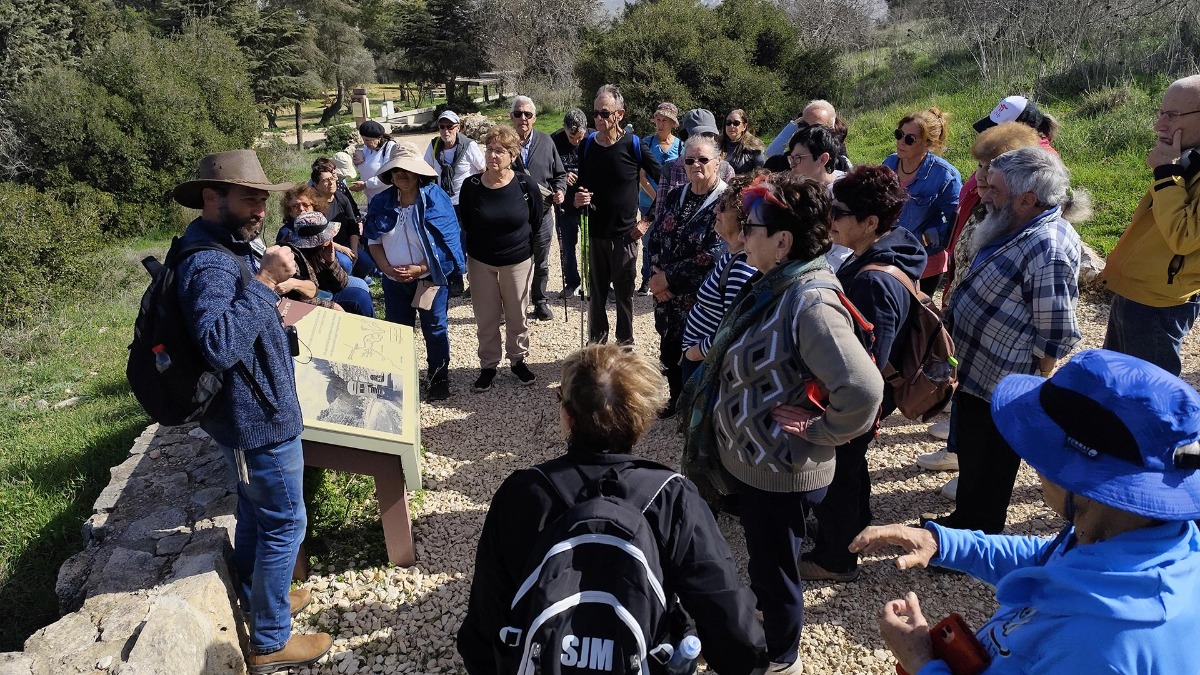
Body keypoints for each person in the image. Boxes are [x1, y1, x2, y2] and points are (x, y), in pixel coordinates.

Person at [852, 349, 1200, 675]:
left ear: (1086, 484)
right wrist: (941, 542)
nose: (1034, 466)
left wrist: (922, 661)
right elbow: (1050, 559)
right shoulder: (1141, 538)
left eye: (1043, 451)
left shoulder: (1101, 646)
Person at [457, 343, 768, 675]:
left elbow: (485, 620)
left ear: (567, 414)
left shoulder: (523, 493)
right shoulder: (673, 498)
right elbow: (731, 628)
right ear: (643, 418)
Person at [682, 173, 883, 673]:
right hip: (761, 464)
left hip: (782, 471)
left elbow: (863, 389)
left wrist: (822, 431)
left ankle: (780, 657)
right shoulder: (776, 281)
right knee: (768, 559)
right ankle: (771, 620)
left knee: (776, 571)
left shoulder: (810, 301)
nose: (742, 235)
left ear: (783, 241)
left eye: (750, 227)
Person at [171, 150, 333, 673]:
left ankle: (260, 593)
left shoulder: (226, 244)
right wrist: (266, 282)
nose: (260, 208)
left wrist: (273, 287)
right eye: (248, 198)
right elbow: (218, 344)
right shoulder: (208, 261)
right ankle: (270, 640)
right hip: (256, 420)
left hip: (253, 413)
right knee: (287, 521)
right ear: (211, 198)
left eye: (263, 198)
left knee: (256, 513)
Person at [930, 146, 1081, 534]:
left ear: (1028, 199)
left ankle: (976, 537)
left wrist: (1035, 376)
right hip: (977, 371)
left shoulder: (1045, 246)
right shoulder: (1016, 225)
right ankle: (965, 521)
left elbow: (1058, 330)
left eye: (995, 190)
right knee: (976, 455)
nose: (985, 194)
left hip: (1003, 381)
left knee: (991, 463)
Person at [800, 165, 925, 582]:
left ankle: (836, 559)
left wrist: (841, 412)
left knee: (839, 471)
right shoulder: (889, 249)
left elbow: (867, 363)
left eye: (839, 211)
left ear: (870, 222)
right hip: (868, 397)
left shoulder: (874, 282)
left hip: (859, 399)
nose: (829, 219)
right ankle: (857, 531)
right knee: (852, 469)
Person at [1102, 74, 1200, 376]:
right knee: (1112, 389)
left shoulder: (1174, 166)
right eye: (1161, 113)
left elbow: (1183, 237)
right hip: (1134, 293)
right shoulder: (1187, 158)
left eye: (1172, 116)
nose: (1160, 125)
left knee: (1147, 403)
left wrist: (1166, 174)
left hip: (1159, 305)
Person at [365, 142, 465, 402]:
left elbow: (447, 243)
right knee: (398, 331)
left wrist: (420, 268)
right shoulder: (380, 201)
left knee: (435, 329)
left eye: (407, 170)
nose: (402, 175)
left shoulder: (436, 198)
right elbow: (373, 240)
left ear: (418, 172)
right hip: (393, 281)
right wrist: (387, 268)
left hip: (429, 279)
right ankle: (401, 381)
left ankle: (438, 379)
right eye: (397, 170)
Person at [573, 84, 662, 345]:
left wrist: (647, 220)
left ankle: (625, 345)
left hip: (625, 235)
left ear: (619, 114)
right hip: (595, 233)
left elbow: (665, 184)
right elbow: (582, 184)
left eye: (605, 113)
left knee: (624, 294)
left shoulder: (634, 146)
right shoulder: (587, 144)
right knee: (597, 295)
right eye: (595, 114)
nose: (598, 119)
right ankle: (597, 346)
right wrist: (578, 198)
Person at [457, 125, 543, 392]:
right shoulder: (471, 186)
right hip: (481, 262)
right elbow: (467, 222)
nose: (493, 156)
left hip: (517, 261)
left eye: (500, 151)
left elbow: (536, 220)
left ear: (513, 155)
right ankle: (488, 365)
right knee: (486, 316)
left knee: (517, 315)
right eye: (490, 150)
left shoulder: (525, 184)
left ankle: (518, 360)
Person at [645, 134, 727, 417]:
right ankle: (677, 399)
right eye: (689, 160)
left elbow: (715, 253)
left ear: (717, 162)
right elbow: (655, 237)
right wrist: (657, 276)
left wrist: (668, 278)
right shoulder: (674, 195)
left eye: (703, 159)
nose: (696, 165)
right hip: (666, 296)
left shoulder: (726, 202)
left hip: (701, 298)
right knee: (669, 348)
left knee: (699, 352)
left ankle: (699, 410)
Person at [680, 173, 761, 388]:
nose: (716, 210)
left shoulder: (743, 264)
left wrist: (695, 352)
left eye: (723, 207)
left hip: (705, 364)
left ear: (742, 218)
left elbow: (734, 328)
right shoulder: (732, 253)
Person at [882, 108, 962, 295]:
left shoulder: (944, 175)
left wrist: (927, 238)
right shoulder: (889, 163)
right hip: (889, 254)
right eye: (899, 134)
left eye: (909, 139)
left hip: (924, 261)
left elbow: (957, 222)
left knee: (915, 319)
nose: (901, 142)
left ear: (928, 143)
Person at [510, 95, 567, 321]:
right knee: (513, 262)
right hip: (513, 216)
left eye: (527, 114)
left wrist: (560, 190)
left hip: (542, 213)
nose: (523, 118)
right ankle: (514, 304)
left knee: (541, 260)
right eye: (518, 114)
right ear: (511, 117)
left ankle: (540, 300)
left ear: (534, 118)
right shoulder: (504, 143)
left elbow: (559, 175)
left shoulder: (546, 142)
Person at [424, 110, 486, 298]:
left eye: (449, 127)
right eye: (441, 127)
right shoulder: (434, 146)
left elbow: (484, 170)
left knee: (471, 242)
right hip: (443, 203)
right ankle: (456, 280)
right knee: (449, 242)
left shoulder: (469, 146)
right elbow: (426, 171)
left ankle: (475, 282)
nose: (445, 131)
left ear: (458, 128)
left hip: (466, 203)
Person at [280, 211, 375, 317]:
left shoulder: (321, 250)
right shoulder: (292, 259)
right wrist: (331, 306)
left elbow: (342, 284)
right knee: (359, 299)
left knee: (361, 296)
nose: (331, 239)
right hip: (306, 304)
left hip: (325, 293)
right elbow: (297, 299)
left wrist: (331, 261)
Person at [653, 108, 736, 221]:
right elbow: (660, 214)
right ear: (686, 138)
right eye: (698, 136)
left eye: (709, 135)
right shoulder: (670, 169)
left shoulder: (726, 170)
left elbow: (731, 216)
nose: (704, 140)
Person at [638, 102, 684, 295]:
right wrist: (658, 197)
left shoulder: (681, 146)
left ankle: (664, 279)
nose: (660, 123)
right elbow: (641, 176)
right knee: (648, 242)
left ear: (673, 123)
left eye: (664, 120)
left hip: (673, 204)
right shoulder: (646, 143)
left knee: (670, 242)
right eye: (657, 119)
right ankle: (646, 279)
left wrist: (668, 198)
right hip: (648, 203)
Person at [551, 108, 588, 298]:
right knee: (567, 244)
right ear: (564, 129)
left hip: (588, 200)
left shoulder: (592, 139)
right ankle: (572, 281)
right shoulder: (554, 141)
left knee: (591, 245)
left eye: (580, 137)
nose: (577, 141)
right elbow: (547, 170)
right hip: (565, 203)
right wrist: (563, 176)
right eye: (572, 138)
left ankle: (596, 281)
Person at [310, 157, 366, 277]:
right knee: (346, 263)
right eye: (325, 181)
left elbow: (353, 225)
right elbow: (316, 237)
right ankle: (342, 284)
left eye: (332, 179)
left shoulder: (341, 198)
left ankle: (355, 278)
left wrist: (354, 249)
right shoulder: (313, 204)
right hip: (325, 248)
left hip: (345, 242)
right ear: (316, 185)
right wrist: (341, 249)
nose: (331, 183)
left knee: (367, 263)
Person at [765, 99, 839, 171]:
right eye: (804, 125)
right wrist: (793, 126)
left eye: (816, 127)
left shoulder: (840, 165)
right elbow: (771, 153)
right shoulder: (783, 162)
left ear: (831, 131)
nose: (808, 132)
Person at [350, 120, 396, 202]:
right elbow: (364, 166)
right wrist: (357, 159)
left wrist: (366, 184)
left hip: (386, 198)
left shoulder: (390, 147)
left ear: (378, 138)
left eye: (367, 140)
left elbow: (388, 175)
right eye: (363, 140)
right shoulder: (367, 148)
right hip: (371, 198)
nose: (365, 143)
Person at [722, 108, 767, 175]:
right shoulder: (716, 146)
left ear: (744, 126)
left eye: (736, 123)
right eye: (728, 123)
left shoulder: (754, 148)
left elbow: (761, 175)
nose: (731, 126)